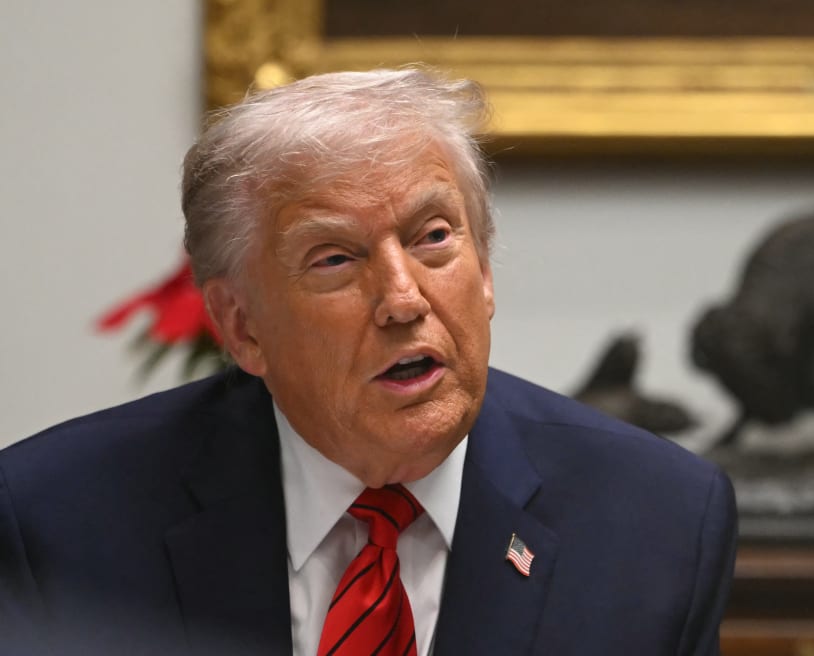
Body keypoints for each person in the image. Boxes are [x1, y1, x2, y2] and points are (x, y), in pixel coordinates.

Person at [0, 68, 737, 655]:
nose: (403, 299)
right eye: (335, 258)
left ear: (483, 275)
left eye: (434, 237)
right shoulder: (58, 526)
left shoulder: (658, 523)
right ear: (241, 325)